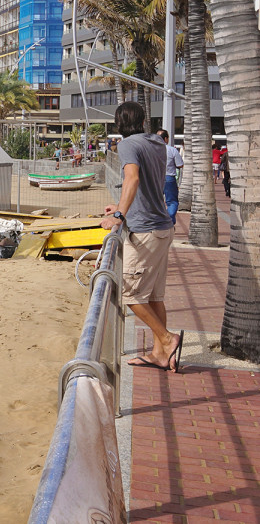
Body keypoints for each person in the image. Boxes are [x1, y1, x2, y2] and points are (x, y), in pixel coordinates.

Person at [101, 102, 183, 372]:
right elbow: (148, 184)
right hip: (162, 226)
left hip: (146, 230)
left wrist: (120, 216)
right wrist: (122, 206)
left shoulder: (127, 145)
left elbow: (133, 179)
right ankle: (160, 354)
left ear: (119, 122)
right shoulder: (157, 142)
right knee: (154, 296)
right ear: (143, 120)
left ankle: (167, 340)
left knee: (131, 295)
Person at [156, 128, 184, 225]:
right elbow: (180, 164)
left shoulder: (152, 150)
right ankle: (169, 220)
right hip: (169, 178)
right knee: (171, 202)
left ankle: (158, 222)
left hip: (155, 178)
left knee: (156, 201)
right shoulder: (172, 150)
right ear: (166, 139)